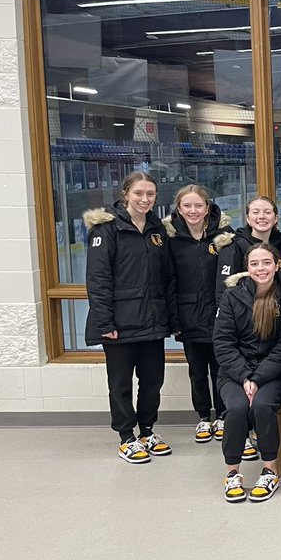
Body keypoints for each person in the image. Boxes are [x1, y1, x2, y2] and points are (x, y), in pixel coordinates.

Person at [84, 171, 175, 464]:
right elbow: (97, 280)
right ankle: (126, 436)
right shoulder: (107, 229)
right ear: (126, 194)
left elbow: (166, 278)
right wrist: (105, 322)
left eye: (150, 194)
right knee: (120, 384)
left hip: (151, 321)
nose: (145, 199)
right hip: (120, 325)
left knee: (152, 381)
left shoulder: (157, 229)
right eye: (138, 193)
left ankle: (147, 430)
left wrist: (168, 318)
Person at [213, 244, 281, 502]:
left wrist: (258, 378)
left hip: (274, 373)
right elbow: (223, 343)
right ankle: (232, 472)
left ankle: (269, 470)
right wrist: (244, 377)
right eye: (254, 264)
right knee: (237, 408)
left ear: (277, 264)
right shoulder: (232, 297)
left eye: (266, 263)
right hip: (235, 373)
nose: (260, 268)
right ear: (247, 268)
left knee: (262, 405)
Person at [165, 184, 233, 444]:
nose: (193, 210)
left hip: (218, 316)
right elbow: (168, 280)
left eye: (198, 205)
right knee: (197, 371)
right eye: (187, 206)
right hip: (188, 315)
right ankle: (204, 417)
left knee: (221, 369)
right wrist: (174, 319)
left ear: (207, 207)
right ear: (179, 209)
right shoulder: (171, 239)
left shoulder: (224, 236)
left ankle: (224, 415)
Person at [214, 196, 281, 301]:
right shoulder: (234, 246)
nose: (261, 216)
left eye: (267, 212)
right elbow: (223, 290)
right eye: (255, 212)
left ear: (275, 218)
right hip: (245, 313)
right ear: (248, 219)